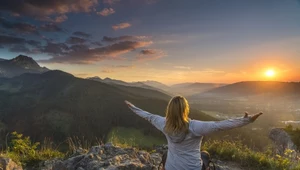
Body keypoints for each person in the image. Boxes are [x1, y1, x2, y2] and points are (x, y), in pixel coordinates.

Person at [125, 96, 263, 170]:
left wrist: (132, 107)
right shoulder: (195, 126)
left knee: (167, 154)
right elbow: (219, 126)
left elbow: (147, 115)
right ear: (185, 109)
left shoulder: (163, 123)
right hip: (193, 168)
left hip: (171, 168)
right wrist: (246, 121)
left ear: (169, 110)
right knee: (205, 155)